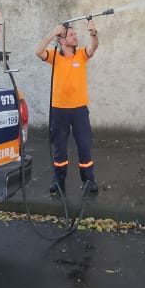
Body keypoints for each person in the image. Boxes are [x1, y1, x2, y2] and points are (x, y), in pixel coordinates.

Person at [35, 18, 100, 198]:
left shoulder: (81, 54)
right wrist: (52, 33)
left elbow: (93, 46)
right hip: (59, 110)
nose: (75, 36)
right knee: (59, 148)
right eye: (71, 35)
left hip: (79, 110)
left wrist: (93, 33)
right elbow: (38, 51)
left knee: (84, 145)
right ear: (62, 40)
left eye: (74, 34)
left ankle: (89, 181)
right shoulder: (54, 56)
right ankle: (59, 181)